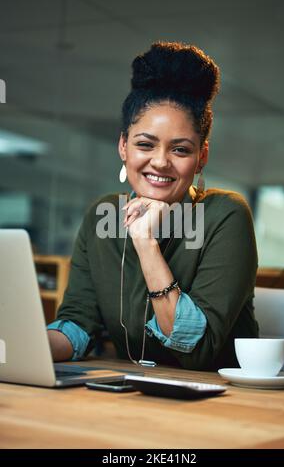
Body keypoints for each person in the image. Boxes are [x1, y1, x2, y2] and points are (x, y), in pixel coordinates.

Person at [47, 41, 258, 371]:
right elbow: (78, 325)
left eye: (180, 150)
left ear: (201, 157)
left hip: (218, 404)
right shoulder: (102, 216)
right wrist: (21, 345)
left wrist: (146, 243)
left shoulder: (226, 215)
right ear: (123, 146)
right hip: (132, 396)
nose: (160, 162)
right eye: (145, 144)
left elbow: (196, 350)